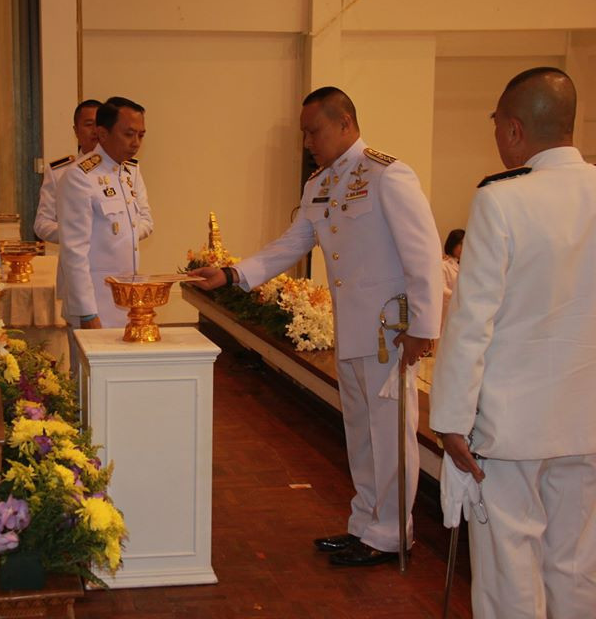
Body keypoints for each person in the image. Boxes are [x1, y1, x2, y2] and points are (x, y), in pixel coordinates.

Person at [189, 86, 442, 566]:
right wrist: (231, 274)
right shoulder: (320, 185)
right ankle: (366, 524)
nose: (307, 141)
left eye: (314, 130)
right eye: (304, 132)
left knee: (390, 433)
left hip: (391, 332)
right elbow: (293, 243)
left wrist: (423, 328)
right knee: (361, 432)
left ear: (345, 122)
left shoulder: (389, 175)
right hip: (353, 328)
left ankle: (392, 534)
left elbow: (424, 254)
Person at [430, 67, 596, 618]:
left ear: (516, 130)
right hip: (587, 421)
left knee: (510, 567)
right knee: (575, 564)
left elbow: (473, 320)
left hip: (511, 426)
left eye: (496, 123)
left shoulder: (502, 199)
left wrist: (450, 417)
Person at [57, 96, 154, 329]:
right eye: (129, 134)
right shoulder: (80, 176)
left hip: (126, 300)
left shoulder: (127, 173)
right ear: (102, 133)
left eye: (141, 135)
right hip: (96, 302)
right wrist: (88, 312)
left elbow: (136, 225)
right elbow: (74, 251)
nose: (136, 142)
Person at [33, 99, 102, 243]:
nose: (95, 130)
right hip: (75, 258)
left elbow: (144, 219)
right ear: (76, 131)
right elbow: (42, 224)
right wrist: (75, 234)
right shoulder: (59, 172)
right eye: (89, 125)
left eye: (99, 124)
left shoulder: (124, 170)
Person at [440, 228, 464, 335]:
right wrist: (457, 295)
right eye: (460, 244)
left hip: (461, 311)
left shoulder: (464, 265)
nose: (463, 248)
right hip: (449, 311)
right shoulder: (444, 265)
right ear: (452, 243)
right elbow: (441, 288)